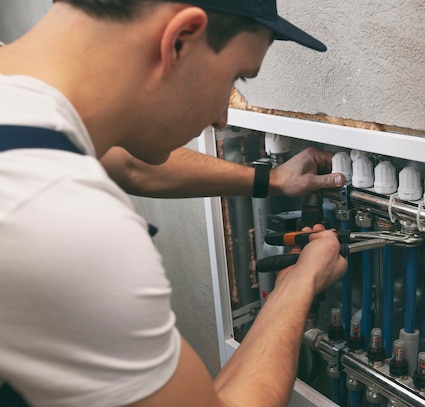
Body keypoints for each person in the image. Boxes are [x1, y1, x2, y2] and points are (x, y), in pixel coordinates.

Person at [0, 1, 348, 406]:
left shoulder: (23, 104)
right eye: (235, 78)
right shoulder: (59, 215)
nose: (221, 119)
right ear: (180, 40)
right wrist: (299, 283)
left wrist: (272, 179)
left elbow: (128, 164)